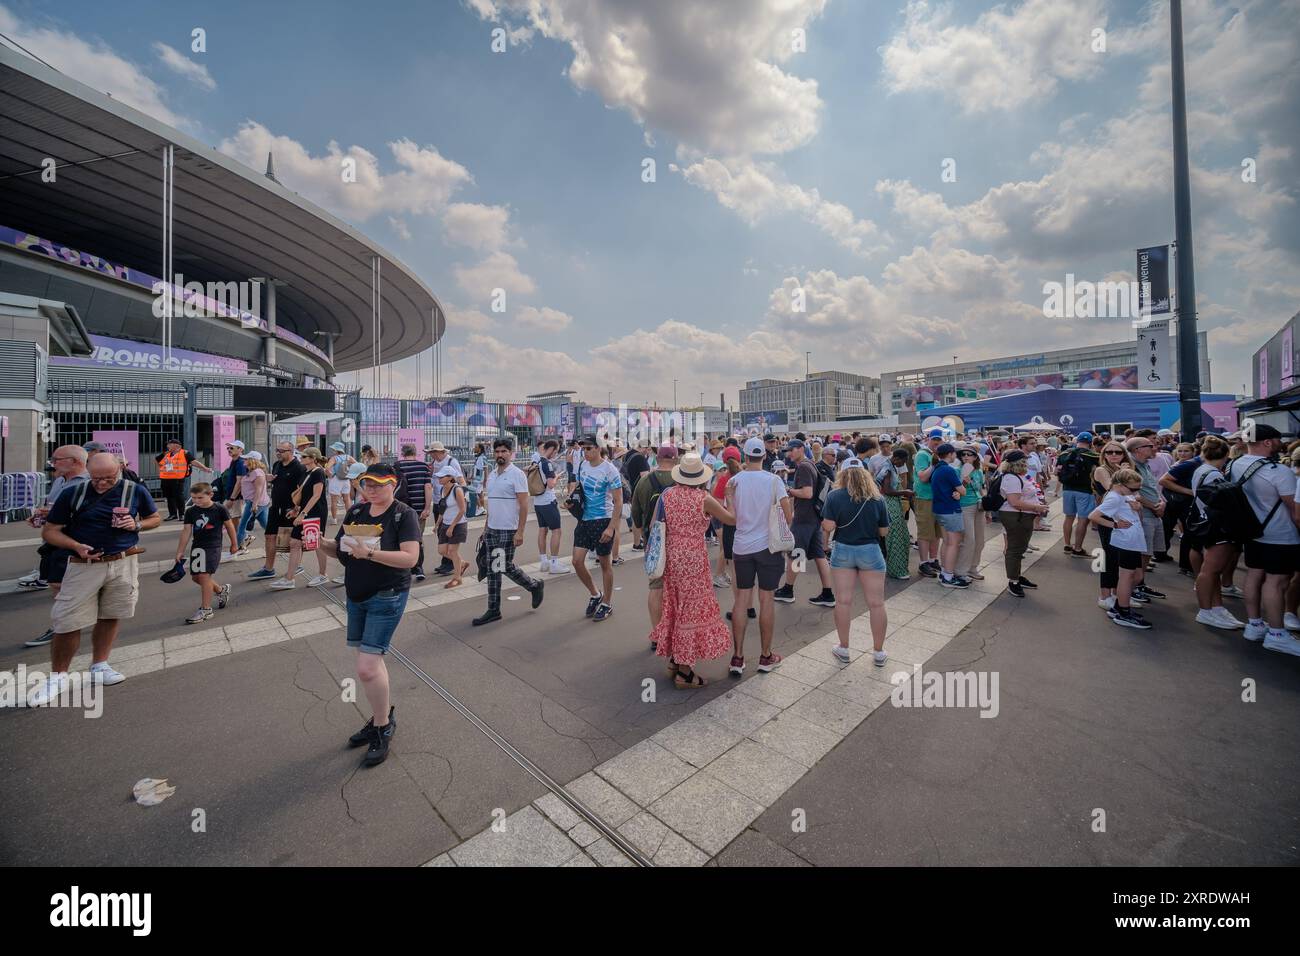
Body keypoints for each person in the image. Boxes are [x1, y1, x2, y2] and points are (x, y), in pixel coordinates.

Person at [28, 453, 160, 705]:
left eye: (108, 479)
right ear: (88, 471)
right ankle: (58, 676)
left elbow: (154, 518)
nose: (101, 484)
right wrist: (76, 545)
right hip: (83, 564)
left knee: (111, 614)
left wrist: (136, 525)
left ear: (119, 471)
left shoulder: (134, 490)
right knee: (67, 622)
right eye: (96, 478)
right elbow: (51, 531)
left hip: (123, 560)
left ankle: (100, 664)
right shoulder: (73, 493)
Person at [318, 463, 421, 767]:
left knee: (366, 667)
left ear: (394, 485)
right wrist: (321, 544)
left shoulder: (404, 514)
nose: (372, 489)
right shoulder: (356, 513)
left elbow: (410, 558)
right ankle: (381, 718)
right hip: (356, 595)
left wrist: (372, 554)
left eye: (379, 484)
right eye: (367, 484)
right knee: (372, 664)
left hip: (387, 595)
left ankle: (383, 726)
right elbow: (342, 551)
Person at [650, 453, 736, 688]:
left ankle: (675, 661)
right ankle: (685, 672)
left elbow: (654, 526)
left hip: (672, 554)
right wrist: (729, 497)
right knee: (691, 609)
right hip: (693, 558)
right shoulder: (703, 498)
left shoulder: (667, 495)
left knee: (675, 604)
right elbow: (730, 519)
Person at [1224, 424, 1300, 655]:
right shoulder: (1279, 471)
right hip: (1281, 534)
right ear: (1267, 442)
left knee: (1254, 575)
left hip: (1252, 531)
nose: (1280, 443)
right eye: (1277, 439)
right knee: (1276, 582)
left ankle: (1255, 624)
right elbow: (1294, 511)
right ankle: (1277, 633)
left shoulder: (1235, 464)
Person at [725, 436, 793, 675]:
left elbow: (729, 515)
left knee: (741, 601)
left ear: (745, 456)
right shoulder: (774, 481)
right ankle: (765, 656)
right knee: (766, 600)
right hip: (768, 547)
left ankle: (737, 657)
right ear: (764, 456)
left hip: (741, 546)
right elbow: (788, 515)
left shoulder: (733, 481)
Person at [821, 458, 891, 664]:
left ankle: (843, 647)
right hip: (870, 550)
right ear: (865, 474)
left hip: (843, 549)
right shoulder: (877, 499)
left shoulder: (834, 496)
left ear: (842, 474)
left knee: (843, 601)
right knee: (876, 603)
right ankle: (878, 652)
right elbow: (884, 530)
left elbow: (828, 526)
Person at [21, 445, 90, 648]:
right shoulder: (60, 480)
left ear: (75, 461)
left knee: (61, 586)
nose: (52, 463)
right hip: (53, 542)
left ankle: (62, 626)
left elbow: (85, 515)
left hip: (71, 543)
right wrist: (42, 517)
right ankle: (68, 622)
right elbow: (54, 509)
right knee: (56, 585)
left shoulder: (87, 483)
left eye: (58, 459)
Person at [476, 437, 544, 626]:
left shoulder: (517, 474)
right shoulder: (492, 475)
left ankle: (533, 585)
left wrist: (520, 531)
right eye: (497, 451)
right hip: (492, 529)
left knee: (503, 565)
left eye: (504, 451)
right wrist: (485, 528)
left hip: (508, 529)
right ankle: (494, 609)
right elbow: (492, 504)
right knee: (493, 569)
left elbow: (523, 505)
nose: (500, 454)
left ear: (511, 453)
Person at [1187, 436, 1243, 630]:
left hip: (1208, 523)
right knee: (1210, 570)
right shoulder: (1213, 474)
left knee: (1213, 570)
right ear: (1227, 455)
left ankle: (1216, 608)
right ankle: (1206, 610)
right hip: (1215, 526)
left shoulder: (1202, 470)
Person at [773, 439, 836, 607]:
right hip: (814, 517)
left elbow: (807, 493)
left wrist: (789, 491)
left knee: (797, 554)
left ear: (801, 449)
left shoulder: (803, 467)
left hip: (804, 518)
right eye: (787, 451)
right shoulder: (811, 464)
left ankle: (788, 590)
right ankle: (828, 593)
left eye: (792, 450)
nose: (789, 453)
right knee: (819, 555)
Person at [1089, 468, 1152, 629]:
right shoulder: (1115, 497)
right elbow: (1093, 516)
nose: (1135, 491)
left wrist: (1138, 508)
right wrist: (1115, 524)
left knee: (1136, 575)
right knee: (1127, 576)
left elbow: (1138, 517)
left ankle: (1119, 607)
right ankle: (1123, 612)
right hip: (1126, 540)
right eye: (1133, 489)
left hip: (1133, 538)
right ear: (1119, 484)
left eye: (1137, 489)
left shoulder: (1125, 494)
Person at [571, 434, 622, 622]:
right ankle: (595, 594)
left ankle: (607, 603)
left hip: (603, 520)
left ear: (598, 448)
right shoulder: (582, 466)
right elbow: (579, 488)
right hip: (584, 520)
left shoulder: (610, 470)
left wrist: (611, 528)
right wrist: (571, 500)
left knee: (604, 564)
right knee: (577, 561)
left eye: (588, 448)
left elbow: (618, 502)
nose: (585, 452)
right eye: (583, 448)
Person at [175, 481, 238, 624]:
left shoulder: (219, 508)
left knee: (204, 576)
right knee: (196, 578)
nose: (196, 501)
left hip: (213, 546)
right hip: (197, 547)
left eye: (200, 498)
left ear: (210, 495)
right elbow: (186, 531)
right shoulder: (191, 511)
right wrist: (180, 551)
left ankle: (206, 610)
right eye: (193, 498)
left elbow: (229, 526)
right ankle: (221, 590)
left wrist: (234, 544)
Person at [270, 447, 331, 589]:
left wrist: (303, 514)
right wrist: (296, 509)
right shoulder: (305, 472)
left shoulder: (318, 472)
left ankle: (323, 574)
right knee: (295, 543)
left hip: (316, 511)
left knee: (317, 543)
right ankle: (289, 579)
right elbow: (304, 494)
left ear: (313, 458)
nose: (301, 458)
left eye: (304, 456)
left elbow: (316, 495)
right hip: (305, 510)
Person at [248, 442, 306, 581]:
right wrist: (269, 480)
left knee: (293, 540)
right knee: (269, 536)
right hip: (275, 507)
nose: (278, 452)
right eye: (277, 450)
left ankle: (296, 566)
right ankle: (268, 569)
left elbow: (302, 490)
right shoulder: (276, 465)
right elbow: (277, 482)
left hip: (290, 509)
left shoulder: (299, 467)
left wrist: (297, 508)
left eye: (281, 450)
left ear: (291, 451)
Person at [998, 451, 1047, 598]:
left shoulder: (1020, 476)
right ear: (1018, 463)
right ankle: (1013, 581)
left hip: (1023, 515)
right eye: (1024, 461)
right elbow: (1014, 502)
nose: (1027, 464)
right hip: (1015, 516)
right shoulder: (1011, 478)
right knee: (1014, 549)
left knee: (1020, 547)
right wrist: (1036, 508)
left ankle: (1017, 576)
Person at [1124, 435, 1166, 601]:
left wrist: (1161, 503)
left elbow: (1153, 489)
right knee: (1142, 554)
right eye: (1149, 445)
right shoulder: (1132, 468)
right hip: (1144, 515)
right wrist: (1154, 506)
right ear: (1137, 450)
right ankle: (1134, 588)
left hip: (1154, 513)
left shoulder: (1145, 465)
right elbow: (1134, 494)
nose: (1154, 446)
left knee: (1147, 554)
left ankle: (1140, 584)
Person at [930, 442, 968, 588]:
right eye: (954, 453)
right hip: (950, 510)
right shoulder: (948, 470)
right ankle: (948, 576)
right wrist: (963, 484)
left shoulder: (937, 468)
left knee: (947, 542)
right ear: (950, 454)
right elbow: (963, 491)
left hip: (940, 509)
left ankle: (945, 573)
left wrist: (957, 492)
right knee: (953, 543)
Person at [393, 444, 434, 582]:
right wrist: (427, 508)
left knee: (400, 538)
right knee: (417, 539)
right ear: (415, 453)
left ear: (403, 453)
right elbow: (428, 487)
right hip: (418, 509)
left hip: (400, 508)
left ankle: (403, 568)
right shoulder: (423, 467)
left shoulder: (397, 465)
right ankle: (418, 568)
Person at [1057, 432, 1100, 556]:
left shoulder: (1065, 454)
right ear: (1091, 443)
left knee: (1069, 517)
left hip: (1067, 489)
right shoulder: (1094, 456)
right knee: (1082, 519)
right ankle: (1078, 548)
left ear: (1077, 441)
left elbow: (1057, 471)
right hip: (1085, 490)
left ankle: (1067, 544)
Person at [875, 448, 914, 580]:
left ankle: (897, 568)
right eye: (902, 462)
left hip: (893, 504)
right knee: (895, 539)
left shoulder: (890, 466)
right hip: (890, 505)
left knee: (901, 537)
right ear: (896, 458)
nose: (903, 465)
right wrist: (905, 492)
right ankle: (896, 570)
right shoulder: (888, 469)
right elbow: (887, 490)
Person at [533, 439, 569, 574]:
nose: (556, 453)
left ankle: (544, 561)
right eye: (557, 450)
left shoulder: (536, 461)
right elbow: (551, 484)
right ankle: (554, 563)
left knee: (542, 530)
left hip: (538, 501)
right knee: (556, 531)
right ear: (552, 449)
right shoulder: (547, 464)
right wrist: (556, 477)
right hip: (548, 500)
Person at [912, 428, 945, 577]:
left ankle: (933, 560)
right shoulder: (922, 455)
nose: (937, 443)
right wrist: (934, 464)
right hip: (924, 498)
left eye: (939, 440)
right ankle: (923, 563)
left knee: (936, 532)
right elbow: (923, 477)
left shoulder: (938, 455)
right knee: (925, 532)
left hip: (938, 498)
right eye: (934, 440)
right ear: (928, 440)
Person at [954, 445, 987, 582]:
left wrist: (987, 508)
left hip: (979, 506)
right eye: (963, 454)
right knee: (969, 539)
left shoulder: (978, 472)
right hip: (964, 507)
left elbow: (981, 489)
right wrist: (964, 482)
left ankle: (973, 567)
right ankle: (961, 570)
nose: (966, 456)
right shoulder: (957, 471)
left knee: (980, 540)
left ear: (975, 457)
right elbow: (955, 492)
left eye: (969, 454)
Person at [711, 446, 742, 589]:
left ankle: (720, 574)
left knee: (726, 549)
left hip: (724, 516)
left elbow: (716, 501)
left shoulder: (725, 478)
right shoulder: (743, 476)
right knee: (726, 549)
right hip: (734, 519)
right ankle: (718, 575)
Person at [435, 466, 470, 587]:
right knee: (442, 550)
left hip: (458, 524)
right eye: (439, 476)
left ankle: (457, 578)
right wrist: (437, 524)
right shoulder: (442, 489)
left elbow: (462, 510)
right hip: (445, 523)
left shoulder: (457, 490)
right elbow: (442, 508)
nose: (439, 478)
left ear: (450, 478)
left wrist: (452, 526)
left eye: (442, 476)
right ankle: (462, 563)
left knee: (452, 551)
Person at [235, 451, 270, 552]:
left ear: (252, 460)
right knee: (266, 525)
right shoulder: (252, 471)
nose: (243, 461)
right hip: (257, 502)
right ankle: (279, 541)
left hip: (254, 503)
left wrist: (254, 505)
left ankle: (240, 548)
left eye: (246, 459)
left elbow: (258, 490)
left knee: (242, 525)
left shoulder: (257, 473)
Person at [155, 437, 196, 521]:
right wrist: (160, 467)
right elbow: (156, 460)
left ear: (176, 445)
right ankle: (172, 514)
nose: (167, 445)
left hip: (177, 479)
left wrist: (205, 468)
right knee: (169, 497)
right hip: (166, 479)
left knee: (178, 496)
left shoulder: (185, 453)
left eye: (169, 444)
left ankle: (181, 514)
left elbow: (194, 461)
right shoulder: (166, 453)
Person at [326, 442, 357, 521]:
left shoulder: (334, 458)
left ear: (336, 450)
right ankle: (349, 518)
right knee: (347, 499)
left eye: (334, 450)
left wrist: (330, 475)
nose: (333, 451)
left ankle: (334, 519)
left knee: (334, 501)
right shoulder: (348, 457)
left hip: (336, 479)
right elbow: (357, 465)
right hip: (346, 479)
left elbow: (327, 468)